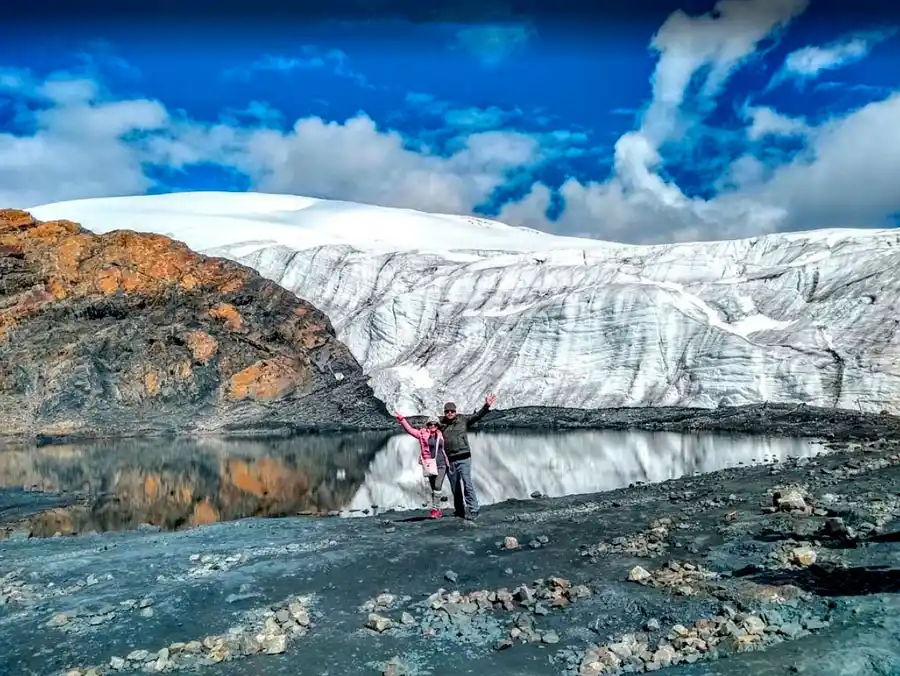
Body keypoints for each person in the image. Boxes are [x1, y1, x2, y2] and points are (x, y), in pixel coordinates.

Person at [440, 393, 497, 520]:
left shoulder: (462, 420)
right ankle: (459, 511)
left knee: (467, 483)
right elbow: (429, 429)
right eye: (447, 411)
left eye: (452, 411)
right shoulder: (441, 424)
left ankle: (474, 509)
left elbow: (477, 416)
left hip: (464, 458)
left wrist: (486, 406)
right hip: (450, 461)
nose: (450, 413)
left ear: (455, 411)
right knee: (455, 487)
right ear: (444, 412)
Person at [393, 412, 449, 519]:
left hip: (442, 464)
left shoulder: (442, 434)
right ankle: (437, 510)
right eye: (431, 424)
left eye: (435, 424)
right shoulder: (422, 434)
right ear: (427, 425)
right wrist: (401, 419)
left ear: (438, 425)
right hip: (429, 465)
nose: (433, 426)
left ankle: (435, 508)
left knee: (437, 486)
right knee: (434, 488)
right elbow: (409, 430)